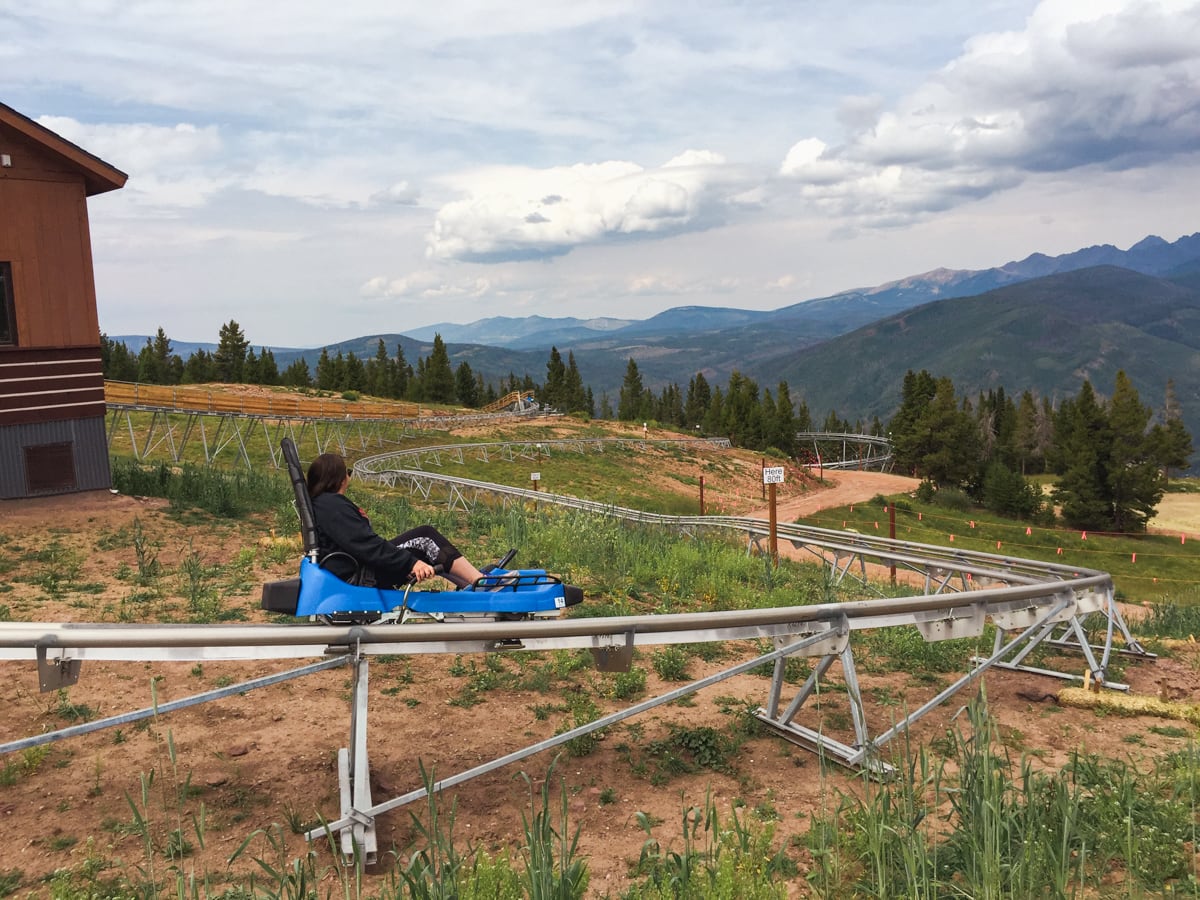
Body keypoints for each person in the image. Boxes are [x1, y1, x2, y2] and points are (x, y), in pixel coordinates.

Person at [306, 451, 491, 589]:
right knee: (425, 538)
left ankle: (472, 583)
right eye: (348, 472)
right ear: (338, 479)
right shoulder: (331, 505)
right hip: (361, 575)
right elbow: (365, 544)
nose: (349, 476)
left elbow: (361, 543)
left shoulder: (324, 505)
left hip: (354, 568)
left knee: (422, 544)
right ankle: (482, 583)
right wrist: (411, 563)